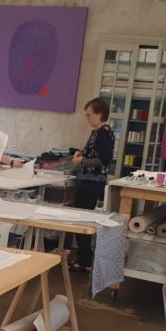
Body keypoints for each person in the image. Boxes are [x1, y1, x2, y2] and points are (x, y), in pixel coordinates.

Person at [70, 97, 115, 272]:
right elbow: (94, 153)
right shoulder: (97, 132)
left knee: (81, 220)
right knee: (81, 219)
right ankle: (85, 258)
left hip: (91, 182)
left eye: (89, 115)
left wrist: (82, 161)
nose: (87, 118)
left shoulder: (103, 133)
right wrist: (81, 154)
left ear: (100, 114)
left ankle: (85, 260)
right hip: (88, 180)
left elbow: (105, 159)